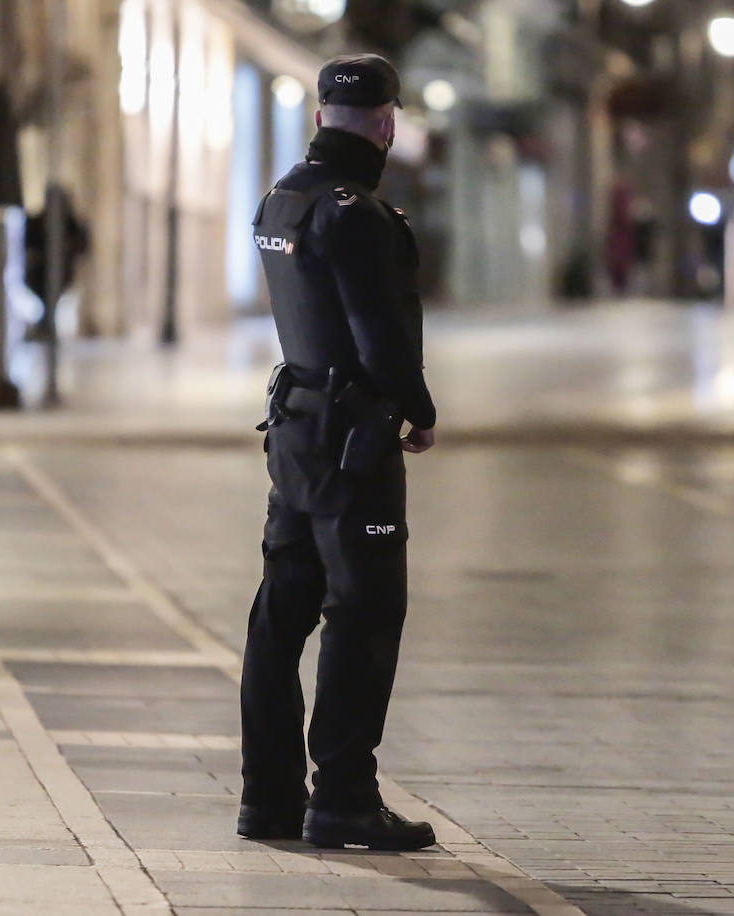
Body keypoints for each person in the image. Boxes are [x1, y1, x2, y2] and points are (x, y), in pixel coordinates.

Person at [237, 53, 438, 852]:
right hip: (353, 440)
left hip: (294, 430)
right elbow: (378, 333)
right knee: (364, 612)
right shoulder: (359, 214)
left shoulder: (280, 203)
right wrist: (417, 411)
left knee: (280, 615)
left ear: (321, 116)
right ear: (387, 123)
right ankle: (345, 800)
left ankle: (269, 797)